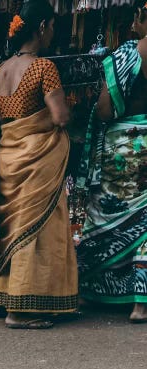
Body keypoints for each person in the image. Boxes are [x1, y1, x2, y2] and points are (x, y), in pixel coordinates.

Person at [0, 0, 77, 329]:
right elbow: (59, 117)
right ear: (41, 27)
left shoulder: (0, 70)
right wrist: (69, 111)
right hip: (37, 158)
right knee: (34, 235)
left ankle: (2, 299)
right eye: (53, 26)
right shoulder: (43, 68)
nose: (54, 32)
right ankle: (22, 310)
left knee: (11, 232)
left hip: (7, 158)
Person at [75, 6, 147, 322]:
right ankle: (140, 304)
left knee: (110, 218)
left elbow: (105, 109)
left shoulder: (127, 54)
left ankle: (97, 291)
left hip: (124, 148)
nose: (132, 25)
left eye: (137, 18)